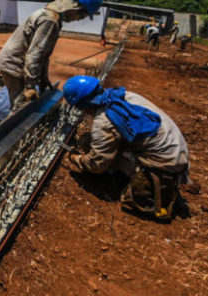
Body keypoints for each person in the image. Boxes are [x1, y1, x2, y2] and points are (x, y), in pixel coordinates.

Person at [61, 75, 190, 220]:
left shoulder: (104, 121)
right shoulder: (124, 95)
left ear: (84, 104)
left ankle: (149, 183)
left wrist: (77, 158)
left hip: (165, 162)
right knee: (93, 141)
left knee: (101, 156)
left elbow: (97, 164)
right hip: (178, 150)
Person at [0, 0, 103, 110]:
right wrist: (30, 86)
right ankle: (1, 125)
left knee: (20, 102)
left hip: (15, 61)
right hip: (14, 64)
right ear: (76, 8)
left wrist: (44, 78)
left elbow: (43, 55)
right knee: (21, 106)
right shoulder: (50, 20)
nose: (78, 20)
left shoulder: (51, 15)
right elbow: (35, 54)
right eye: (82, 16)